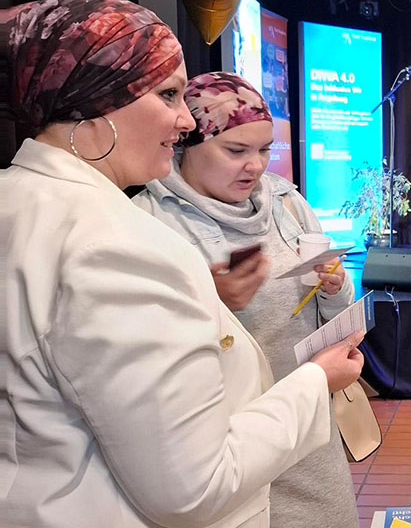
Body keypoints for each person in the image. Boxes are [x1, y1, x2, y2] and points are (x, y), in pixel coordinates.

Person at [0, 0, 364, 527]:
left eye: (263, 150)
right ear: (96, 102)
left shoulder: (20, 199)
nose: (184, 118)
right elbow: (192, 488)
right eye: (168, 93)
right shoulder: (118, 241)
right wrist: (313, 382)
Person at [132, 72, 357, 528]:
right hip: (219, 446)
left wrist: (335, 289)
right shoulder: (149, 220)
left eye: (264, 150)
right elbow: (138, 353)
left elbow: (327, 311)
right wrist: (212, 304)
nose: (255, 166)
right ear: (186, 144)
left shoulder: (288, 204)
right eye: (236, 151)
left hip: (310, 430)